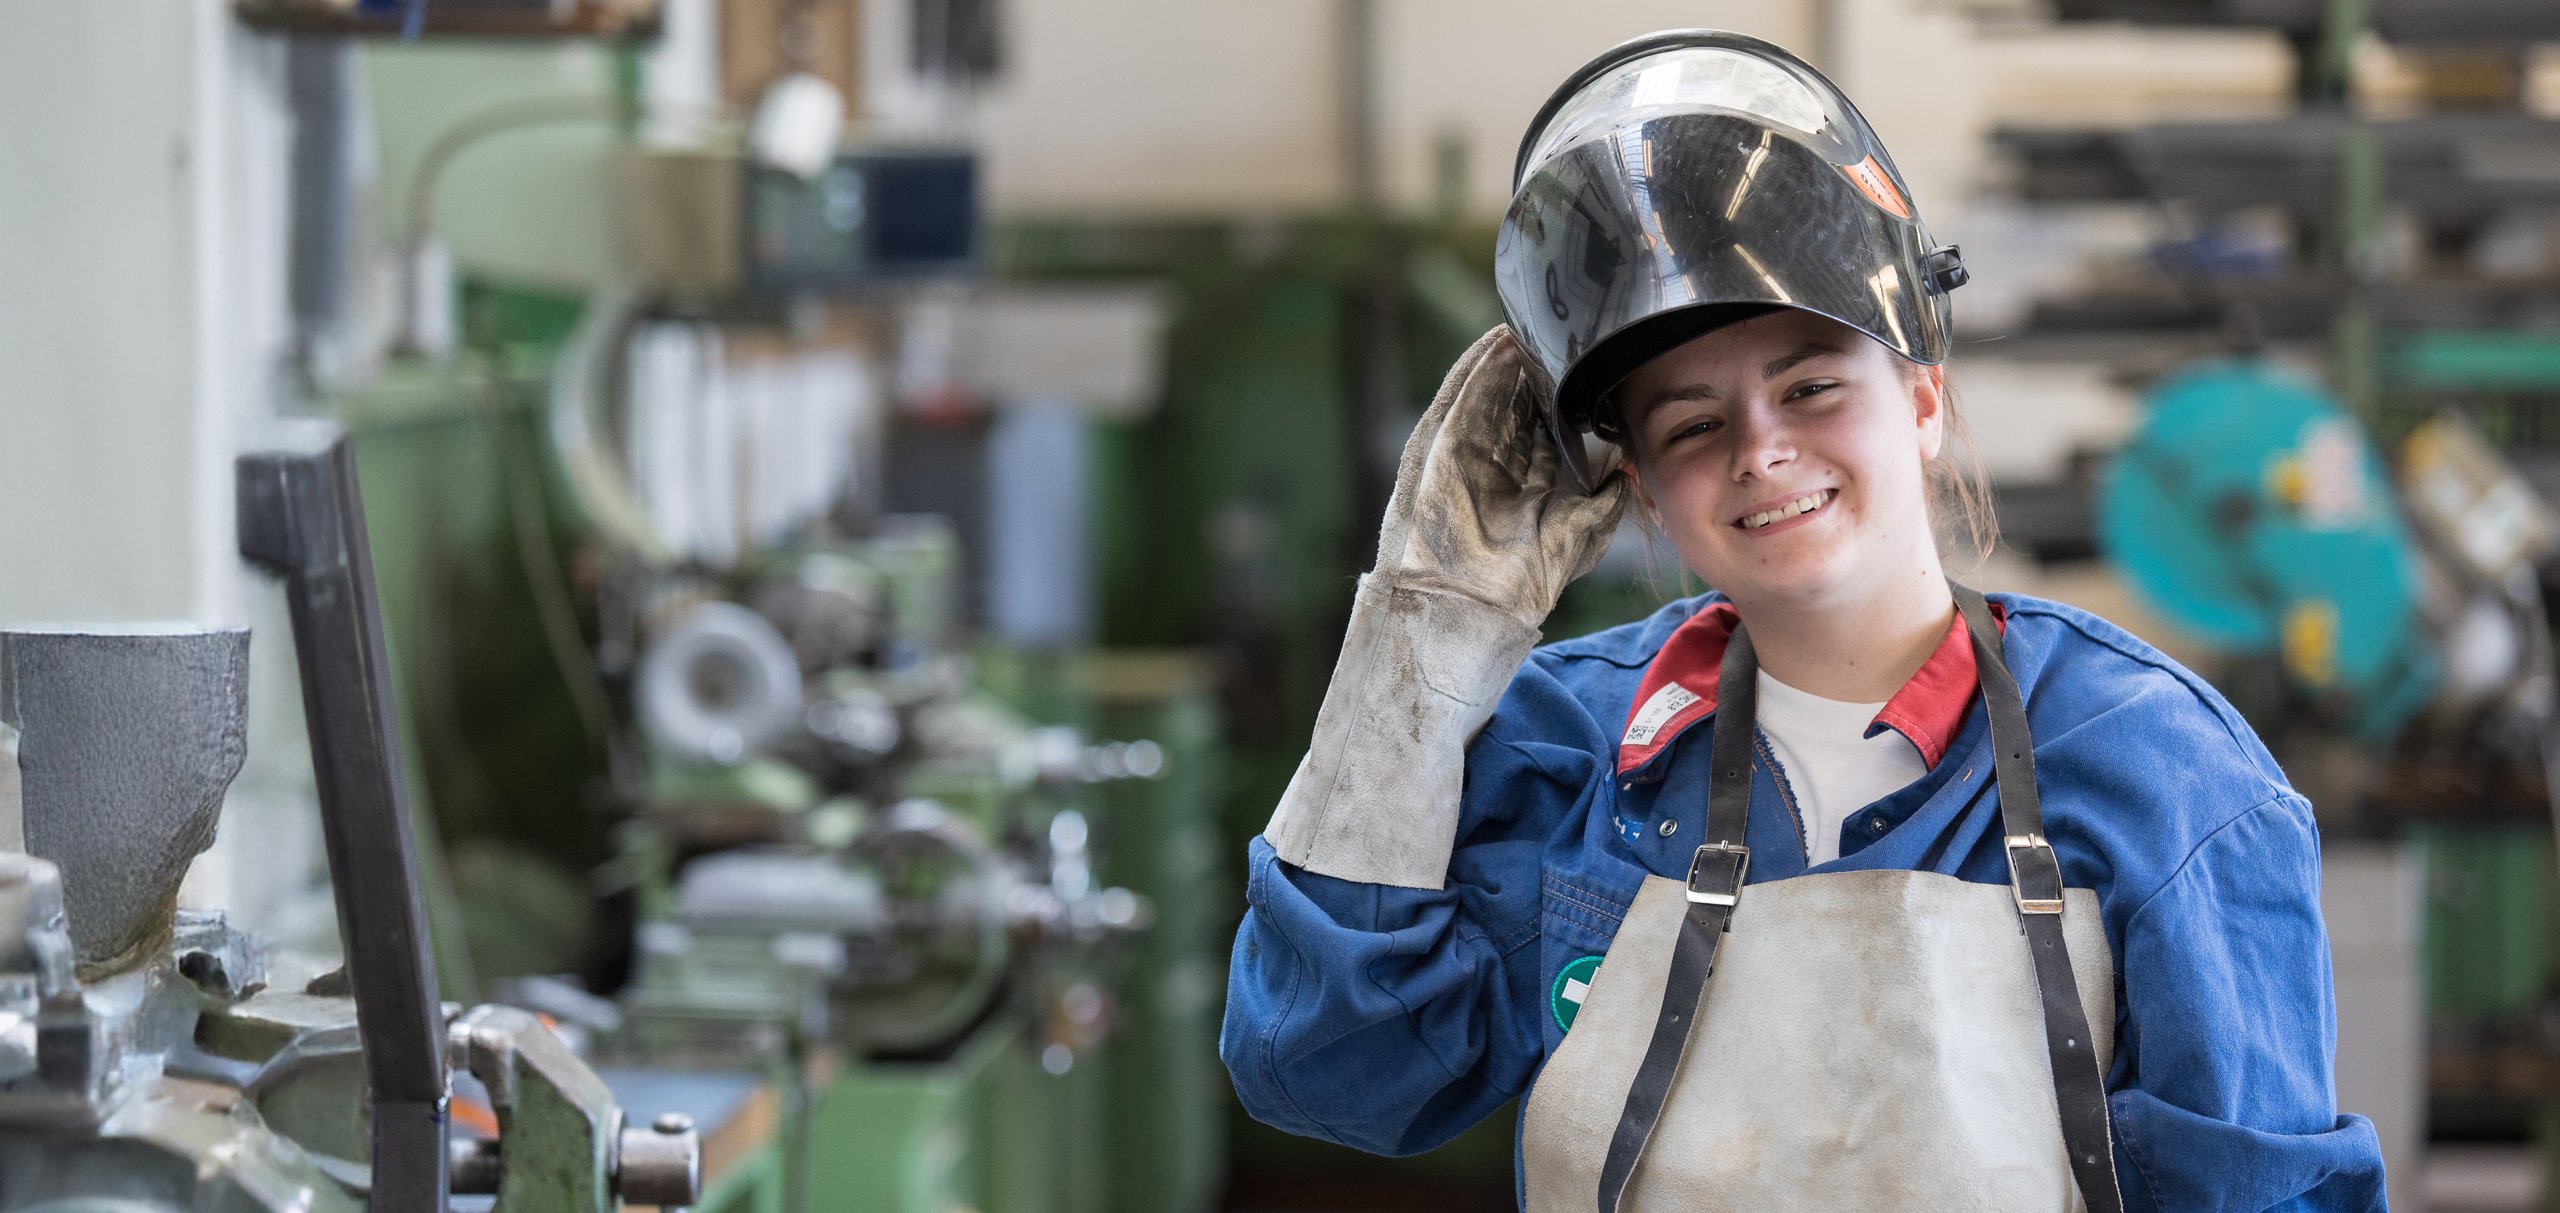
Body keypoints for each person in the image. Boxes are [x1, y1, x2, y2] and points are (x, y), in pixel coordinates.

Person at [1220, 29, 2387, 1213]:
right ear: (1643, 494)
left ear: (1922, 399)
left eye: (1811, 385)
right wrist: (1423, 640)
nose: (1761, 449)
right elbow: (1328, 1071)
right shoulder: (1570, 749)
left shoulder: (2159, 767)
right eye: (1689, 425)